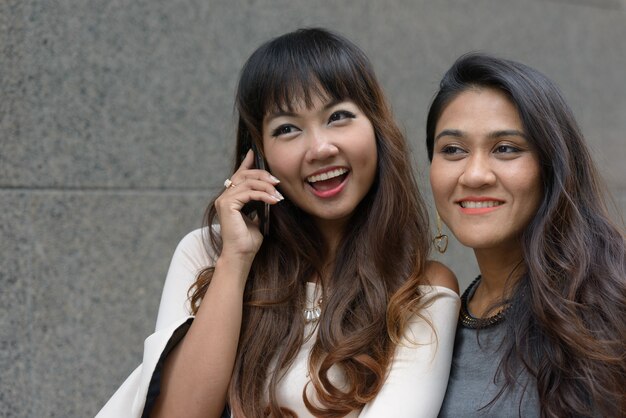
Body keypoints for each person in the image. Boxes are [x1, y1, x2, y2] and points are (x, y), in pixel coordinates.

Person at [98, 28, 460, 418]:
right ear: (259, 153)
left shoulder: (420, 288)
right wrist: (235, 260)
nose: (320, 148)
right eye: (287, 128)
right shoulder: (207, 254)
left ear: (375, 128)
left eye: (338, 117)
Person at [425, 52, 626, 418]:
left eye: (505, 149)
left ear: (553, 166)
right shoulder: (433, 319)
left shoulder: (612, 305)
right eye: (453, 150)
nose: (474, 175)